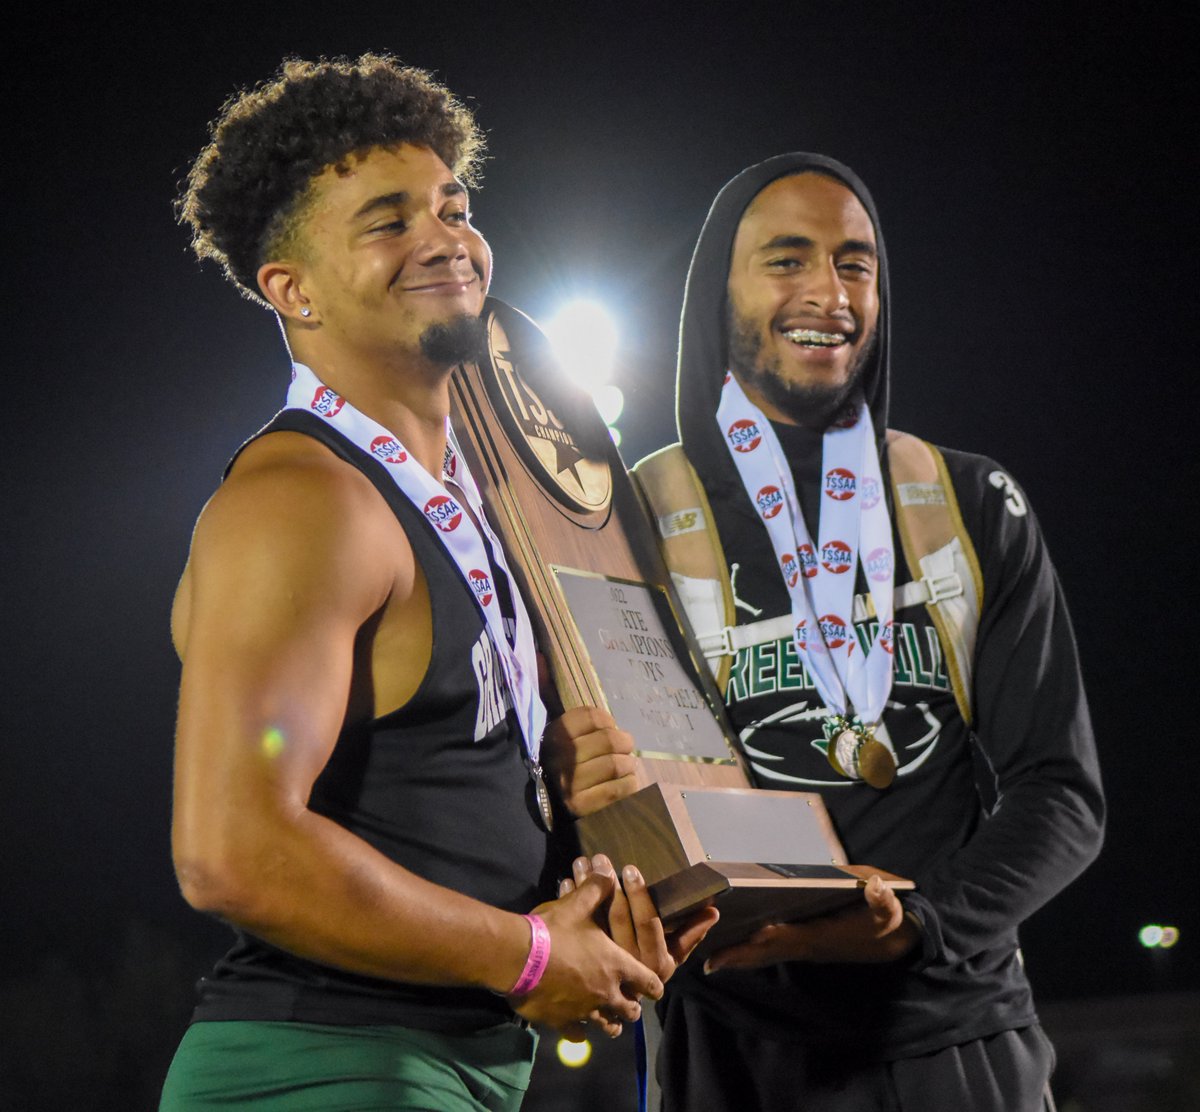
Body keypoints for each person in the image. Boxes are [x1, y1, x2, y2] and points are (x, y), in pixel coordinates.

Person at [160, 55, 712, 1111]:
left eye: (453, 207)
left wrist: (552, 802)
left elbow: (409, 794)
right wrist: (532, 956)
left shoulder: (459, 497)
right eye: (387, 221)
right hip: (322, 1066)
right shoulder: (304, 500)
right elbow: (230, 850)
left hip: (444, 1062)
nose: (445, 238)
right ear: (293, 289)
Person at [548, 153, 1104, 1110]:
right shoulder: (625, 520)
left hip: (949, 1033)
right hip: (730, 1046)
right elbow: (590, 788)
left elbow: (1063, 796)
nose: (828, 292)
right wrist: (573, 787)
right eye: (786, 259)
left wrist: (919, 925)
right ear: (716, 291)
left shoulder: (967, 501)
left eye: (855, 263)